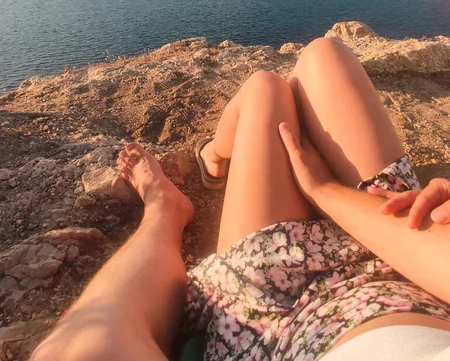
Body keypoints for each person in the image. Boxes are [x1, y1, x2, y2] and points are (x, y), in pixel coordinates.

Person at [31, 37, 450, 361]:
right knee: (324, 54)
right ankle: (228, 161)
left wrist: (324, 190)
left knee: (265, 88)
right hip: (409, 249)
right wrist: (328, 193)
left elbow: (92, 341)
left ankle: (173, 200)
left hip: (276, 315)